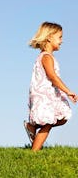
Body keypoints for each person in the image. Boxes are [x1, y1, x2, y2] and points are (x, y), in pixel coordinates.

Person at [24, 22, 78, 151]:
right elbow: (53, 77)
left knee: (62, 117)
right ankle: (34, 152)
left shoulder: (48, 56)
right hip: (44, 95)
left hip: (50, 94)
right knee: (49, 122)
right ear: (49, 37)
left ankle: (32, 127)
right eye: (59, 37)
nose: (62, 41)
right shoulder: (46, 57)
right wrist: (68, 91)